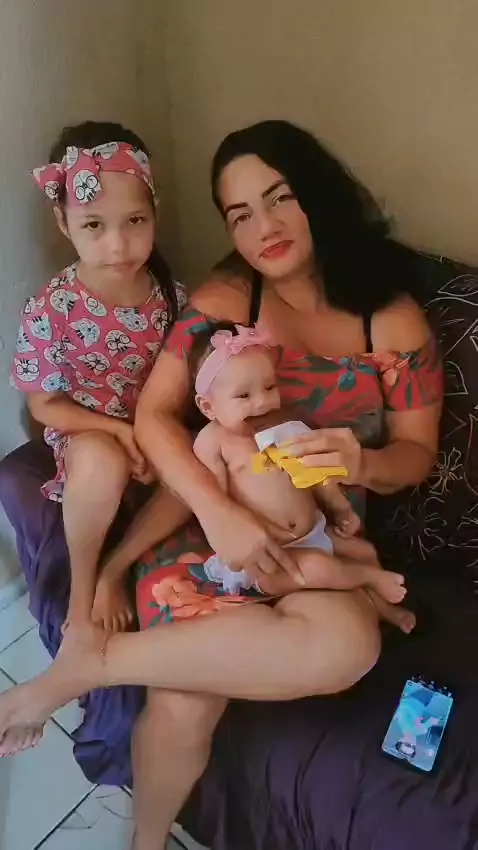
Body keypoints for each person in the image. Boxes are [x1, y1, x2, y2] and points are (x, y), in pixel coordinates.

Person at [0, 120, 442, 850]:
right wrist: (216, 513)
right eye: (239, 214)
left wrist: (361, 465)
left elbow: (417, 454)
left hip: (313, 534)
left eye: (280, 197)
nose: (263, 227)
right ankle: (147, 843)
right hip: (207, 524)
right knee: (184, 693)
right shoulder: (228, 297)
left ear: (319, 194)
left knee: (348, 647)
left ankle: (84, 668)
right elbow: (155, 416)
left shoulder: (391, 322)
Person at [10, 121, 186, 631]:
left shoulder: (172, 297)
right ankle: (83, 596)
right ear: (63, 222)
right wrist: (115, 431)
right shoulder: (51, 308)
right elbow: (43, 403)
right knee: (101, 460)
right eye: (93, 225)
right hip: (91, 432)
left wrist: (154, 439)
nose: (119, 245)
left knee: (202, 461)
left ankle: (117, 571)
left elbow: (184, 383)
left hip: (155, 427)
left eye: (135, 220)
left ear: (155, 212)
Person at [192, 321, 406, 607]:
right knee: (318, 568)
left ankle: (383, 609)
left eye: (270, 387)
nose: (263, 402)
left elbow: (315, 473)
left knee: (364, 551)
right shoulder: (213, 442)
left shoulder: (284, 427)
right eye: (244, 396)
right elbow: (215, 503)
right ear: (208, 407)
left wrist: (340, 508)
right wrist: (238, 532)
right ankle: (369, 578)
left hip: (314, 531)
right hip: (269, 554)